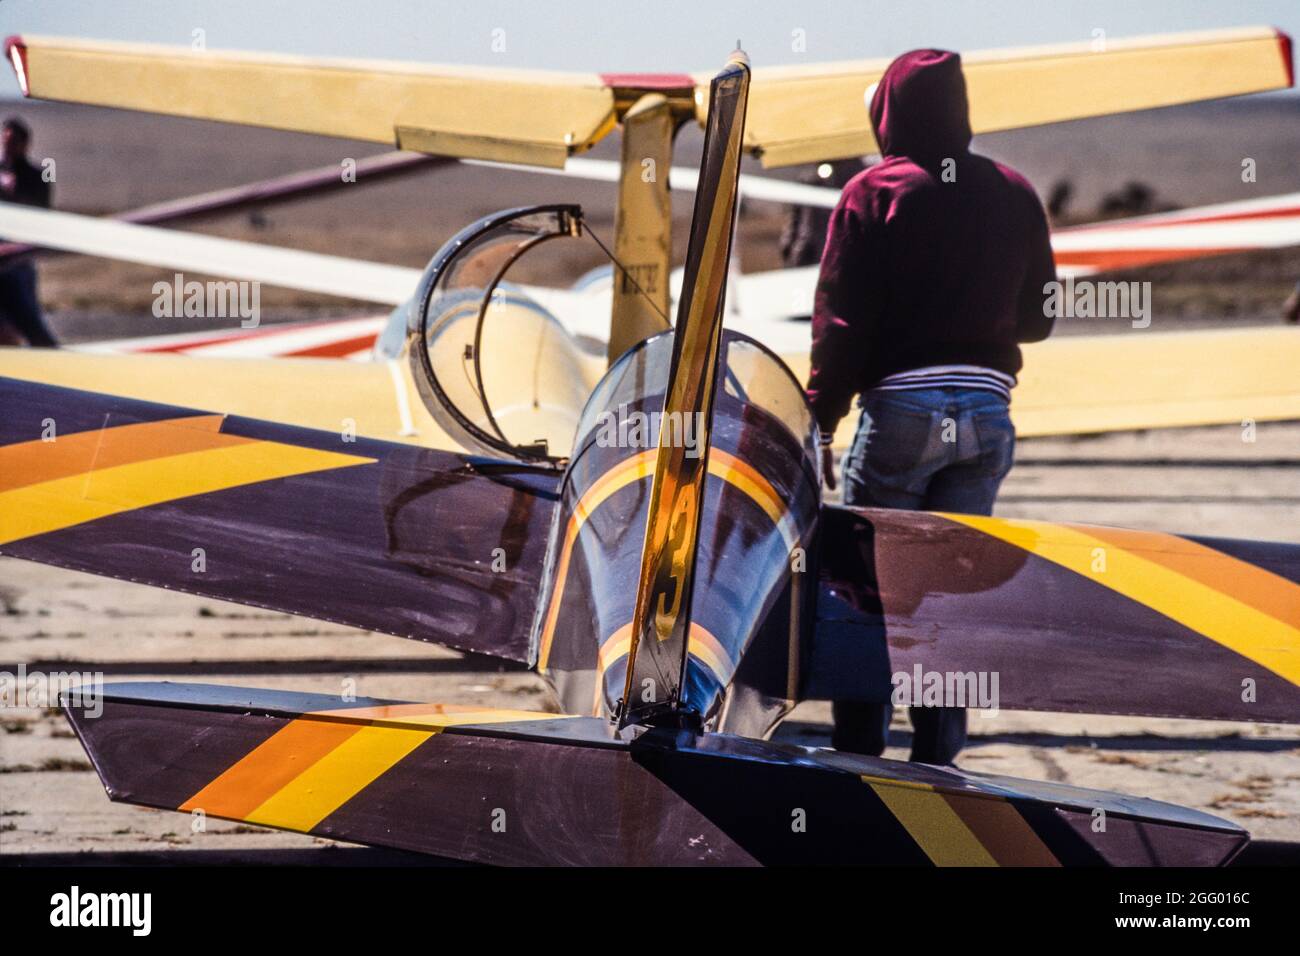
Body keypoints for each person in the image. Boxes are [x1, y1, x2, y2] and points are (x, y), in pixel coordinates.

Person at [805, 49, 1057, 765]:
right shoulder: (1015, 191)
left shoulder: (871, 193)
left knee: (868, 587)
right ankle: (940, 755)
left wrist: (820, 421)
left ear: (888, 109)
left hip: (902, 416)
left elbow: (841, 326)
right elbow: (1040, 319)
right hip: (986, 415)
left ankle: (858, 754)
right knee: (949, 591)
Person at [0, 116, 57, 347]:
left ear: (24, 144)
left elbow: (43, 211)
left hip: (19, 259)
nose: (7, 146)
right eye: (5, 140)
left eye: (13, 141)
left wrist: (14, 193)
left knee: (26, 314)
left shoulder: (37, 176)